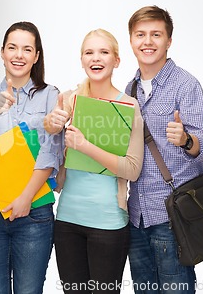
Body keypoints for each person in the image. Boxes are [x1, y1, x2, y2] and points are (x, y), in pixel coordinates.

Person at [43, 29, 144, 293]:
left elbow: (132, 170)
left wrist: (85, 146)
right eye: (89, 52)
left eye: (104, 52)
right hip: (67, 221)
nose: (95, 58)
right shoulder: (68, 99)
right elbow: (49, 136)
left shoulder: (129, 106)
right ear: (81, 59)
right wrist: (51, 123)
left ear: (117, 61)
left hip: (108, 223)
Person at [125, 6, 203, 294]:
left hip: (171, 217)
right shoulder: (130, 89)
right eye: (141, 35)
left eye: (156, 35)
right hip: (136, 216)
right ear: (131, 40)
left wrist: (186, 139)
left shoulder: (186, 85)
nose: (147, 42)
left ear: (168, 41)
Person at [0, 21, 62, 294]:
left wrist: (25, 197)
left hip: (34, 212)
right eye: (12, 48)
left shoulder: (50, 95)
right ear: (2, 52)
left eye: (27, 49)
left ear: (36, 56)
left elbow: (51, 151)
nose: (19, 55)